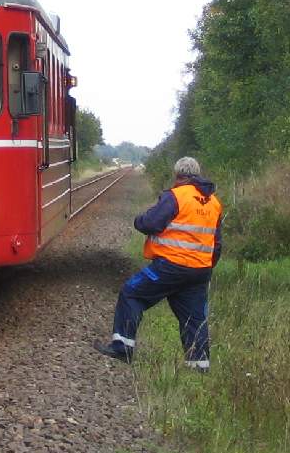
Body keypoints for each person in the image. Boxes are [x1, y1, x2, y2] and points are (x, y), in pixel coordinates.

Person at [95, 156, 223, 371]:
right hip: (200, 271)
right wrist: (206, 266)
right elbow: (217, 243)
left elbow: (151, 223)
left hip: (170, 267)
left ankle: (122, 347)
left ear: (178, 174)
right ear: (197, 173)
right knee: (194, 318)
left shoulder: (176, 196)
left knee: (131, 293)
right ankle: (199, 367)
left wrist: (139, 220)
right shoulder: (214, 202)